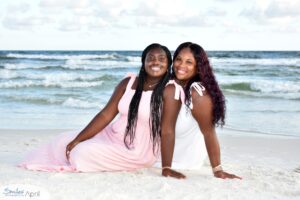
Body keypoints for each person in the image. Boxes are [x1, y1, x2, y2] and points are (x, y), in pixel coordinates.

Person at [19, 43, 172, 172]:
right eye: (150, 58)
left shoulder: (170, 89)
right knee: (64, 141)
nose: (155, 62)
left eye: (161, 59)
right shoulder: (128, 82)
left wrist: (167, 166)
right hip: (113, 135)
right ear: (143, 63)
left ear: (168, 64)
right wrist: (78, 139)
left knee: (80, 153)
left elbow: (168, 130)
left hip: (138, 150)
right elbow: (106, 115)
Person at [158, 42, 242, 179]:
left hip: (179, 160)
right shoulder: (170, 85)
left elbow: (209, 132)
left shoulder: (197, 92)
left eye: (189, 62)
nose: (181, 65)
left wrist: (217, 170)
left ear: (198, 68)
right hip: (161, 155)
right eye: (178, 59)